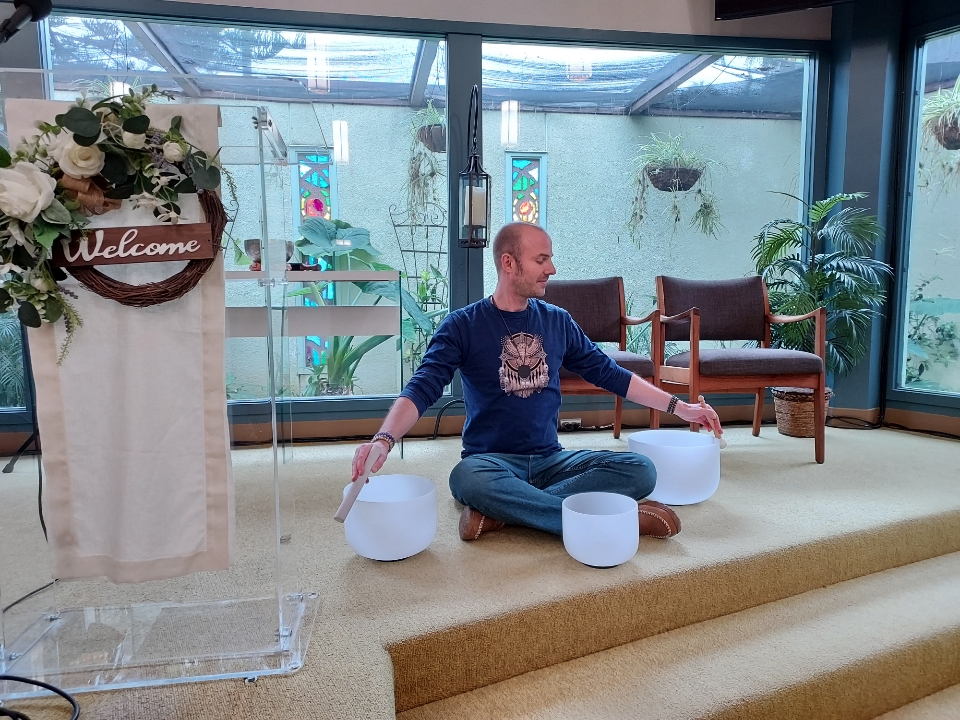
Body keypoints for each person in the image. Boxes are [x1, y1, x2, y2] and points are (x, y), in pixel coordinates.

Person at [351, 222, 722, 541]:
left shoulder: (557, 320)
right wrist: (383, 439)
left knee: (641, 469)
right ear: (508, 263)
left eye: (550, 259)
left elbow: (609, 373)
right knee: (466, 479)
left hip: (551, 461)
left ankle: (504, 512)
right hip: (490, 462)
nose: (552, 269)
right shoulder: (463, 325)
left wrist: (680, 407)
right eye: (541, 260)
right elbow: (423, 386)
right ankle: (603, 521)